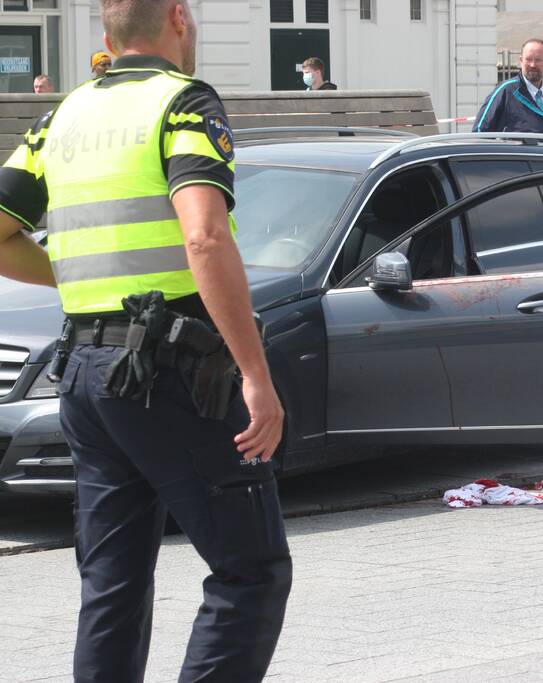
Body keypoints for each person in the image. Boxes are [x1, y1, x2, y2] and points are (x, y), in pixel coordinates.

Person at [0, 1, 291, 680]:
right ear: (178, 19)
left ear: (107, 35)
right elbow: (204, 235)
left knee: (112, 584)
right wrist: (254, 372)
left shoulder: (63, 116)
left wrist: (80, 279)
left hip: (87, 377)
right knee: (251, 571)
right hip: (173, 373)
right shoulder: (183, 102)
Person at [474, 38, 543, 136]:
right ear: (521, 61)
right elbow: (480, 132)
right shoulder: (505, 91)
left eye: (538, 60)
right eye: (528, 59)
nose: (533, 65)